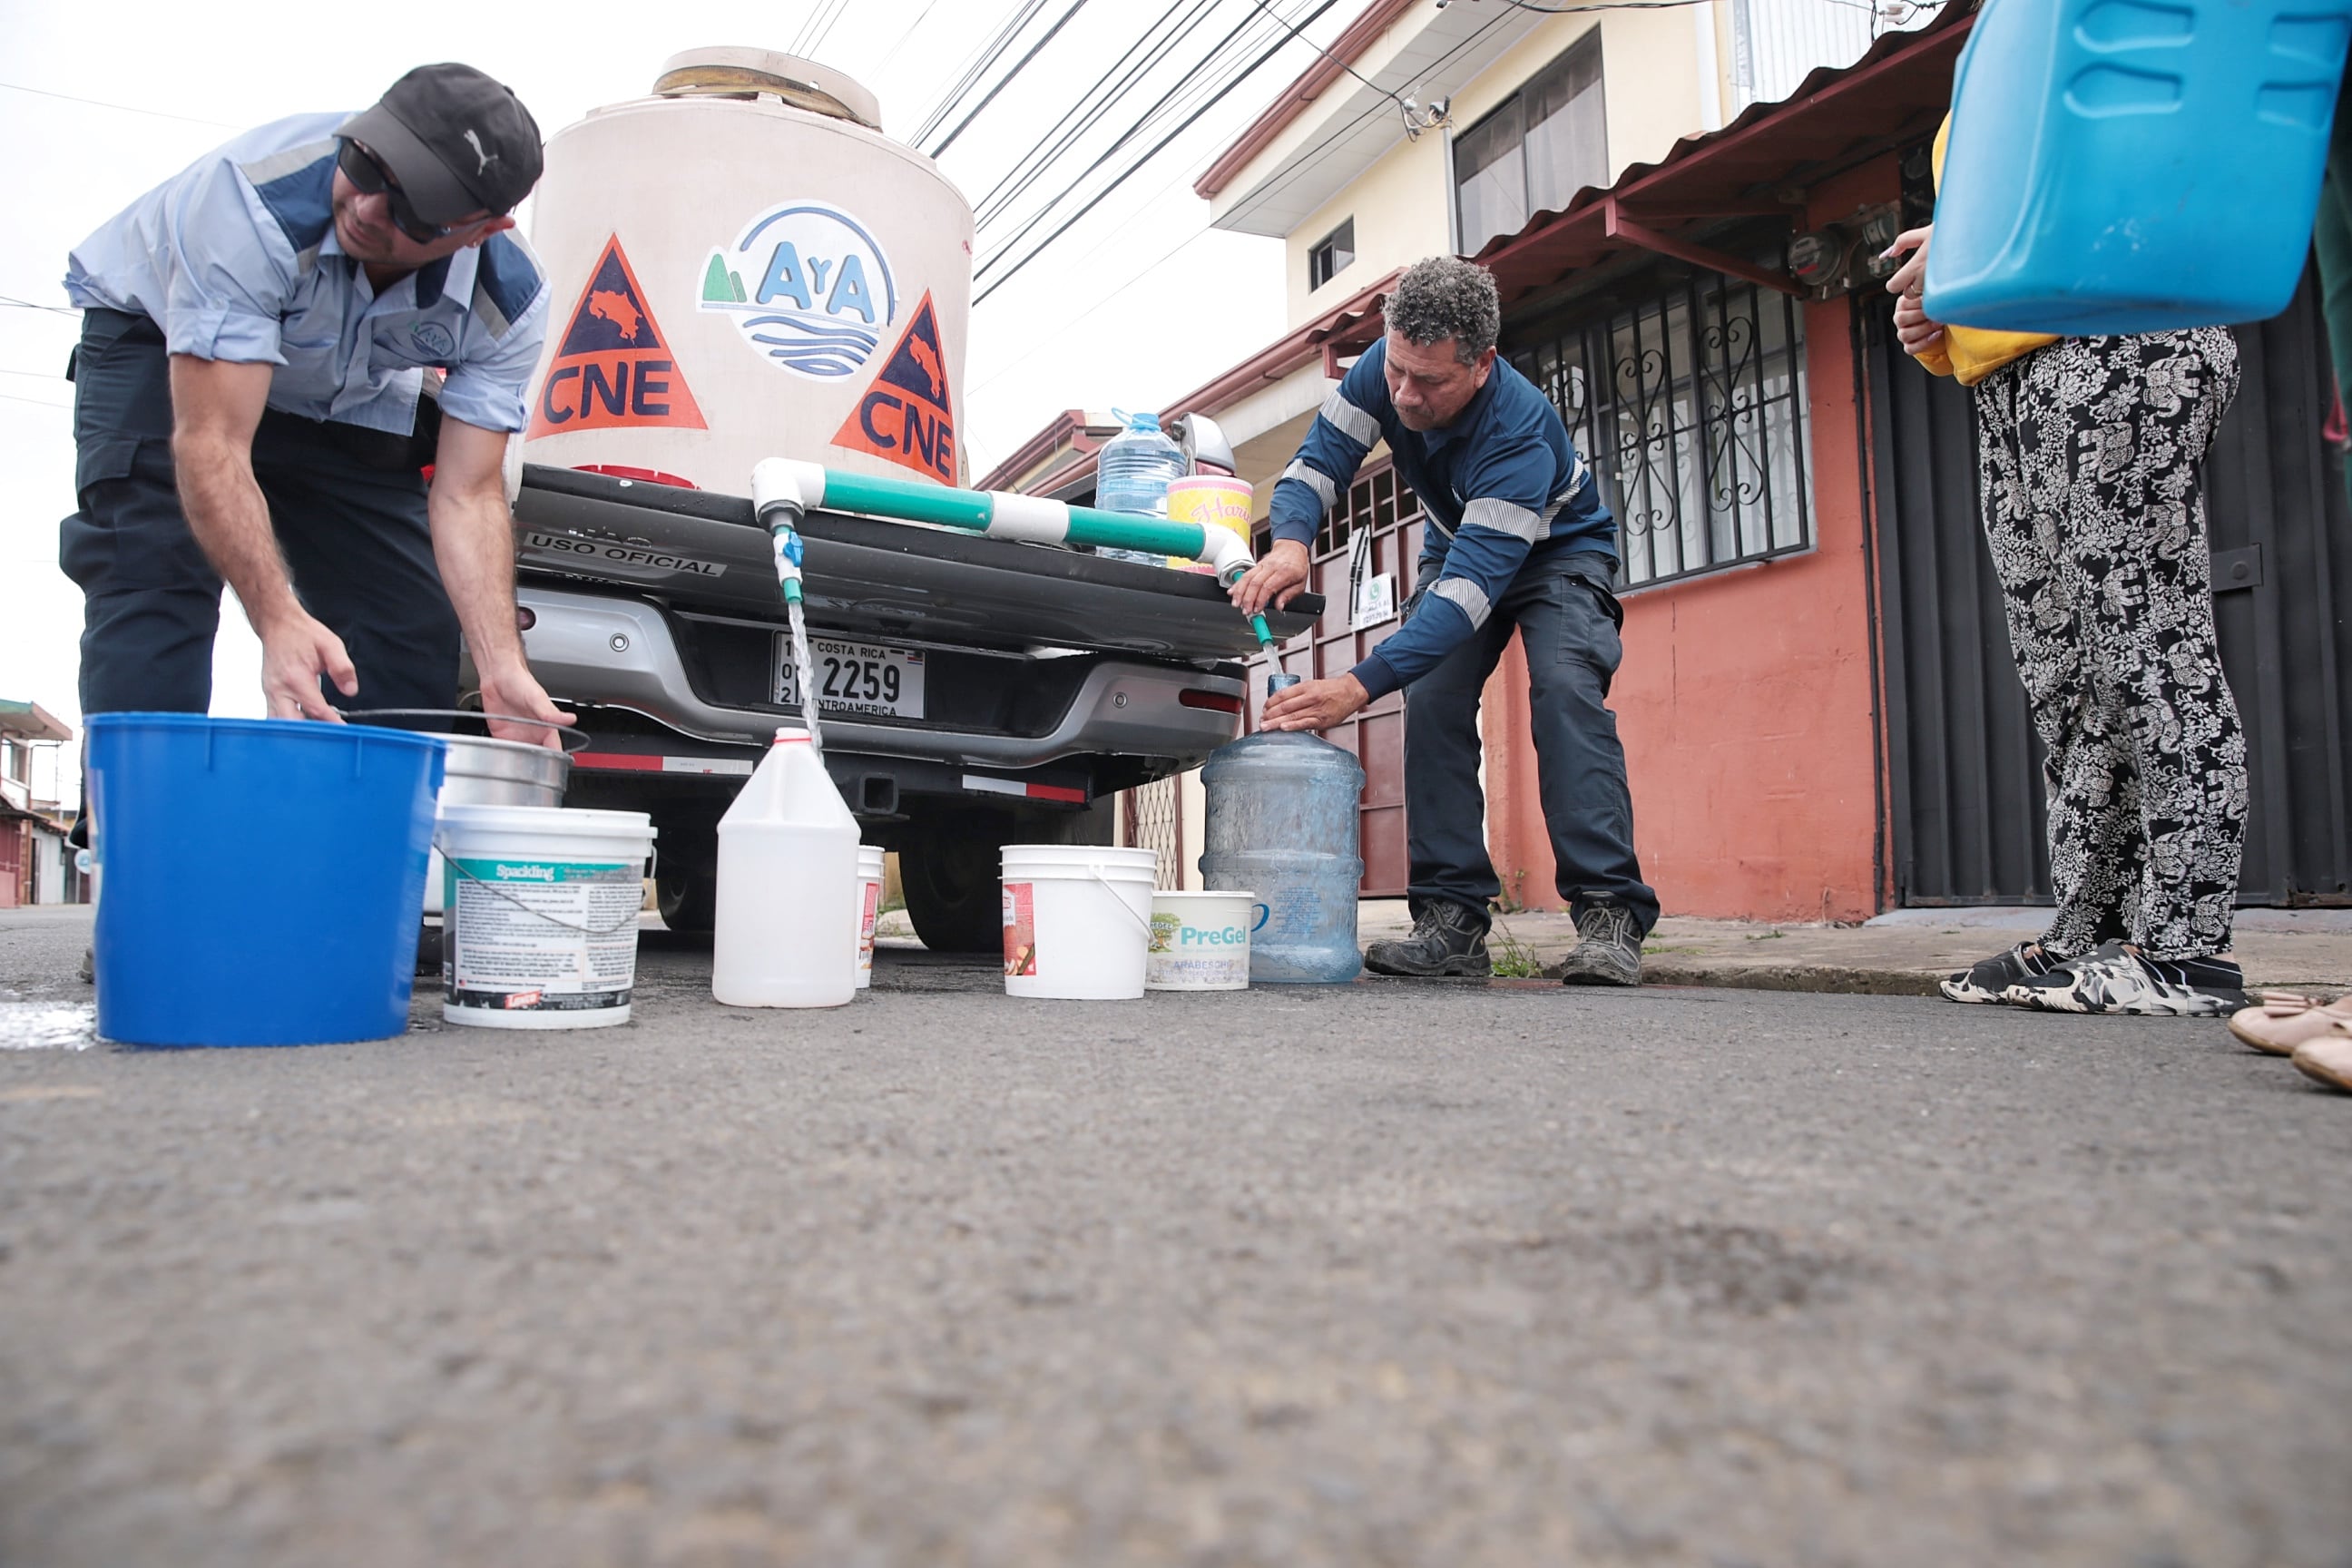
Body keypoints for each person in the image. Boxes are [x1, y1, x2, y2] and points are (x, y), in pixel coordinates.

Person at [60, 62, 571, 746]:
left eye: (408, 205)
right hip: (164, 348)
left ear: (482, 228)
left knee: (407, 619)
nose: (365, 208)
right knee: (157, 576)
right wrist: (277, 619)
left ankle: (359, 837)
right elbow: (213, 441)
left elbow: (467, 494)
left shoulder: (509, 300)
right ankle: (135, 837)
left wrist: (500, 664)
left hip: (344, 390)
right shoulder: (248, 205)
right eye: (366, 165)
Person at [1889, 119, 2249, 1016]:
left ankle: (2187, 950)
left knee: (2148, 641)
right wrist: (1941, 325)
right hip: (2019, 374)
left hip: (2121, 338)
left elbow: (2159, 156)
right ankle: (2088, 934)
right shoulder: (1988, 62)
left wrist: (1972, 238)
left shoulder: (2085, 24)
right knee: (2068, 677)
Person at [1230, 256, 1657, 985]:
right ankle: (1451, 921)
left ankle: (1608, 913)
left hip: (1557, 553)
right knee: (1432, 695)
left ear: (1483, 364)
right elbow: (1317, 463)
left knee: (1563, 691)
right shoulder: (1382, 368)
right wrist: (1295, 538)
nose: (1404, 393)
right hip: (1460, 539)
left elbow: (1467, 599)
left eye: (1428, 381)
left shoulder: (1520, 433)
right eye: (1398, 370)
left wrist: (1357, 687)